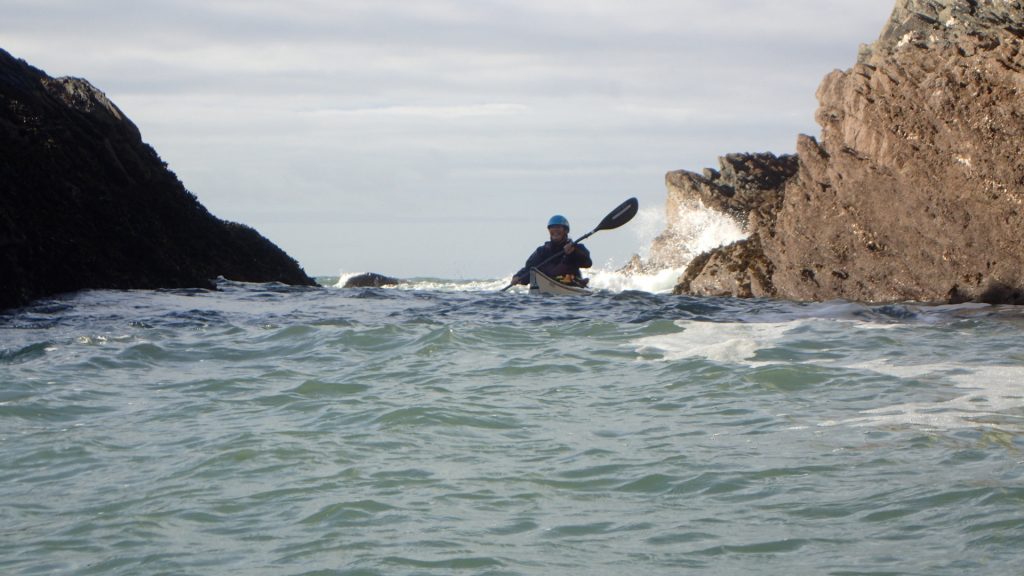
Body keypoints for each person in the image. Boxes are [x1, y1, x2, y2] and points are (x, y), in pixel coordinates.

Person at [511, 215, 593, 287]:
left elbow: (587, 263)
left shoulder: (576, 248)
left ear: (566, 231)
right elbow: (529, 268)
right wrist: (518, 277)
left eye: (558, 227)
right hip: (548, 282)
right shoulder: (542, 251)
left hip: (571, 284)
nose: (555, 230)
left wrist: (573, 253)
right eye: (552, 228)